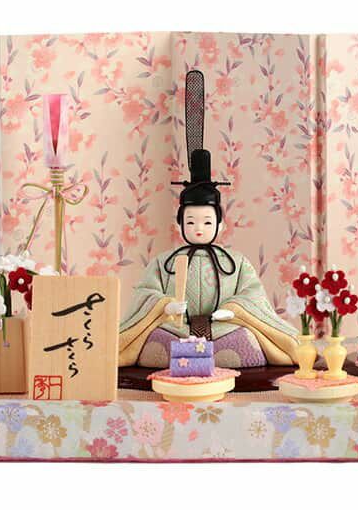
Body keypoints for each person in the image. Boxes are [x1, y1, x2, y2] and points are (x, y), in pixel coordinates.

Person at [117, 71, 298, 369]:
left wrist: (235, 310)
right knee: (156, 339)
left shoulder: (236, 262)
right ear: (179, 224)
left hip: (224, 326)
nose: (198, 229)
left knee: (245, 339)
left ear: (220, 225)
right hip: (175, 327)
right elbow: (144, 294)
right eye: (191, 222)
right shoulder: (164, 262)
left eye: (206, 222)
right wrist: (164, 306)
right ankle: (188, 355)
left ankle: (206, 355)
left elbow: (252, 294)